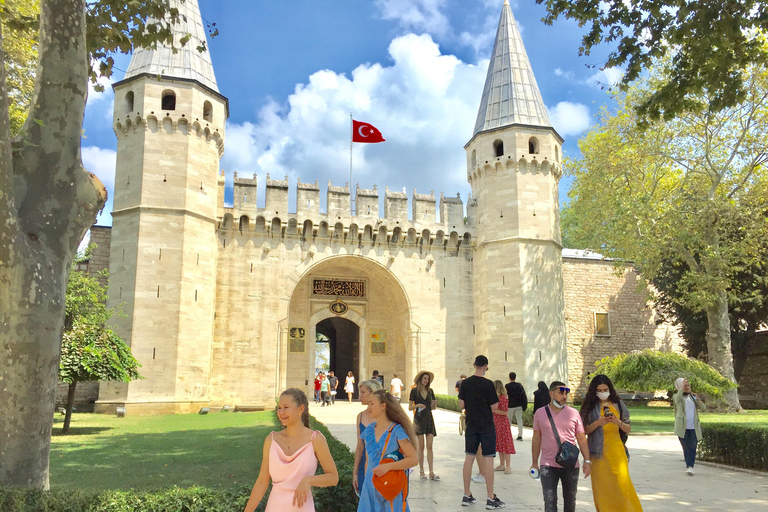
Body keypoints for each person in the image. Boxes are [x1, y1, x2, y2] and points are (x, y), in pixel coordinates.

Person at [243, 388, 339, 512]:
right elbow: (262, 482)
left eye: (286, 407)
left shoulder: (316, 439)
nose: (281, 412)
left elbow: (333, 478)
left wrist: (308, 480)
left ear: (301, 409)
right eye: (279, 407)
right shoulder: (271, 440)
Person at [580, 374, 642, 511]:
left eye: (605, 389)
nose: (603, 393)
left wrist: (617, 422)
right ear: (594, 391)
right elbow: (583, 431)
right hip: (598, 453)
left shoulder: (618, 404)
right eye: (599, 390)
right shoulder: (590, 406)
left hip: (617, 450)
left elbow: (628, 428)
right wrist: (598, 423)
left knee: (623, 486)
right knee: (603, 489)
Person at [531, 381, 591, 512]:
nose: (564, 396)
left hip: (570, 464)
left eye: (566, 393)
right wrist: (534, 462)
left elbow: (581, 437)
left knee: (570, 502)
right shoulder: (540, 413)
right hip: (548, 464)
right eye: (561, 392)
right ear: (551, 393)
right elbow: (536, 439)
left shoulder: (573, 413)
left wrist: (587, 460)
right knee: (550, 502)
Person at [357, 389, 419, 512]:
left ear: (383, 406)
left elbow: (413, 459)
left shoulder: (397, 430)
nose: (368, 407)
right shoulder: (369, 431)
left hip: (389, 486)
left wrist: (388, 467)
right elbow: (368, 461)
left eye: (372, 403)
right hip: (370, 487)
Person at [458, 355, 505, 509]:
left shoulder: (465, 383)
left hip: (471, 425)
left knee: (469, 458)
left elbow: (461, 404)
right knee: (489, 459)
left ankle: (467, 494)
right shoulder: (488, 384)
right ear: (485, 366)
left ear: (474, 365)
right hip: (486, 425)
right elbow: (494, 406)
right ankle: (490, 498)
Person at [353, 379, 383, 496]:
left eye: (362, 392)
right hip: (364, 467)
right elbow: (360, 446)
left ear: (373, 393)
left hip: (382, 466)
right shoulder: (360, 416)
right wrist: (355, 473)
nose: (359, 395)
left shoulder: (385, 415)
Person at [409, 370, 439, 480]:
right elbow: (409, 407)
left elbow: (432, 407)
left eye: (428, 379)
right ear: (420, 379)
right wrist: (417, 405)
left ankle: (431, 471)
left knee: (430, 446)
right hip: (419, 419)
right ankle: (421, 471)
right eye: (425, 378)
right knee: (420, 446)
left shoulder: (430, 391)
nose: (426, 380)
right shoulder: (414, 391)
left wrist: (434, 405)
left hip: (429, 418)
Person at [673, 377, 706, 476]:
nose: (687, 388)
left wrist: (698, 399)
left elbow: (703, 408)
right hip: (682, 427)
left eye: (688, 385)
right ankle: (688, 465)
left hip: (693, 427)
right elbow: (677, 399)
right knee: (686, 447)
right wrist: (681, 389)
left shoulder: (692, 397)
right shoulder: (677, 396)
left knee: (693, 446)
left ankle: (690, 466)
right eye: (684, 386)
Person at [492, 380, 516, 474]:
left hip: (502, 423)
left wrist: (494, 411)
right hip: (496, 423)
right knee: (499, 443)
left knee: (505, 444)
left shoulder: (503, 398)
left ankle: (508, 466)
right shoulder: (494, 398)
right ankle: (501, 464)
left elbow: (505, 412)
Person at [505, 372, 527, 441]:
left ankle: (508, 435)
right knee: (519, 420)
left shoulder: (507, 386)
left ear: (509, 377)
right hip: (519, 405)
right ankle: (520, 435)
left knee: (508, 421)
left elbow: (505, 395)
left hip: (510, 405)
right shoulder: (519, 385)